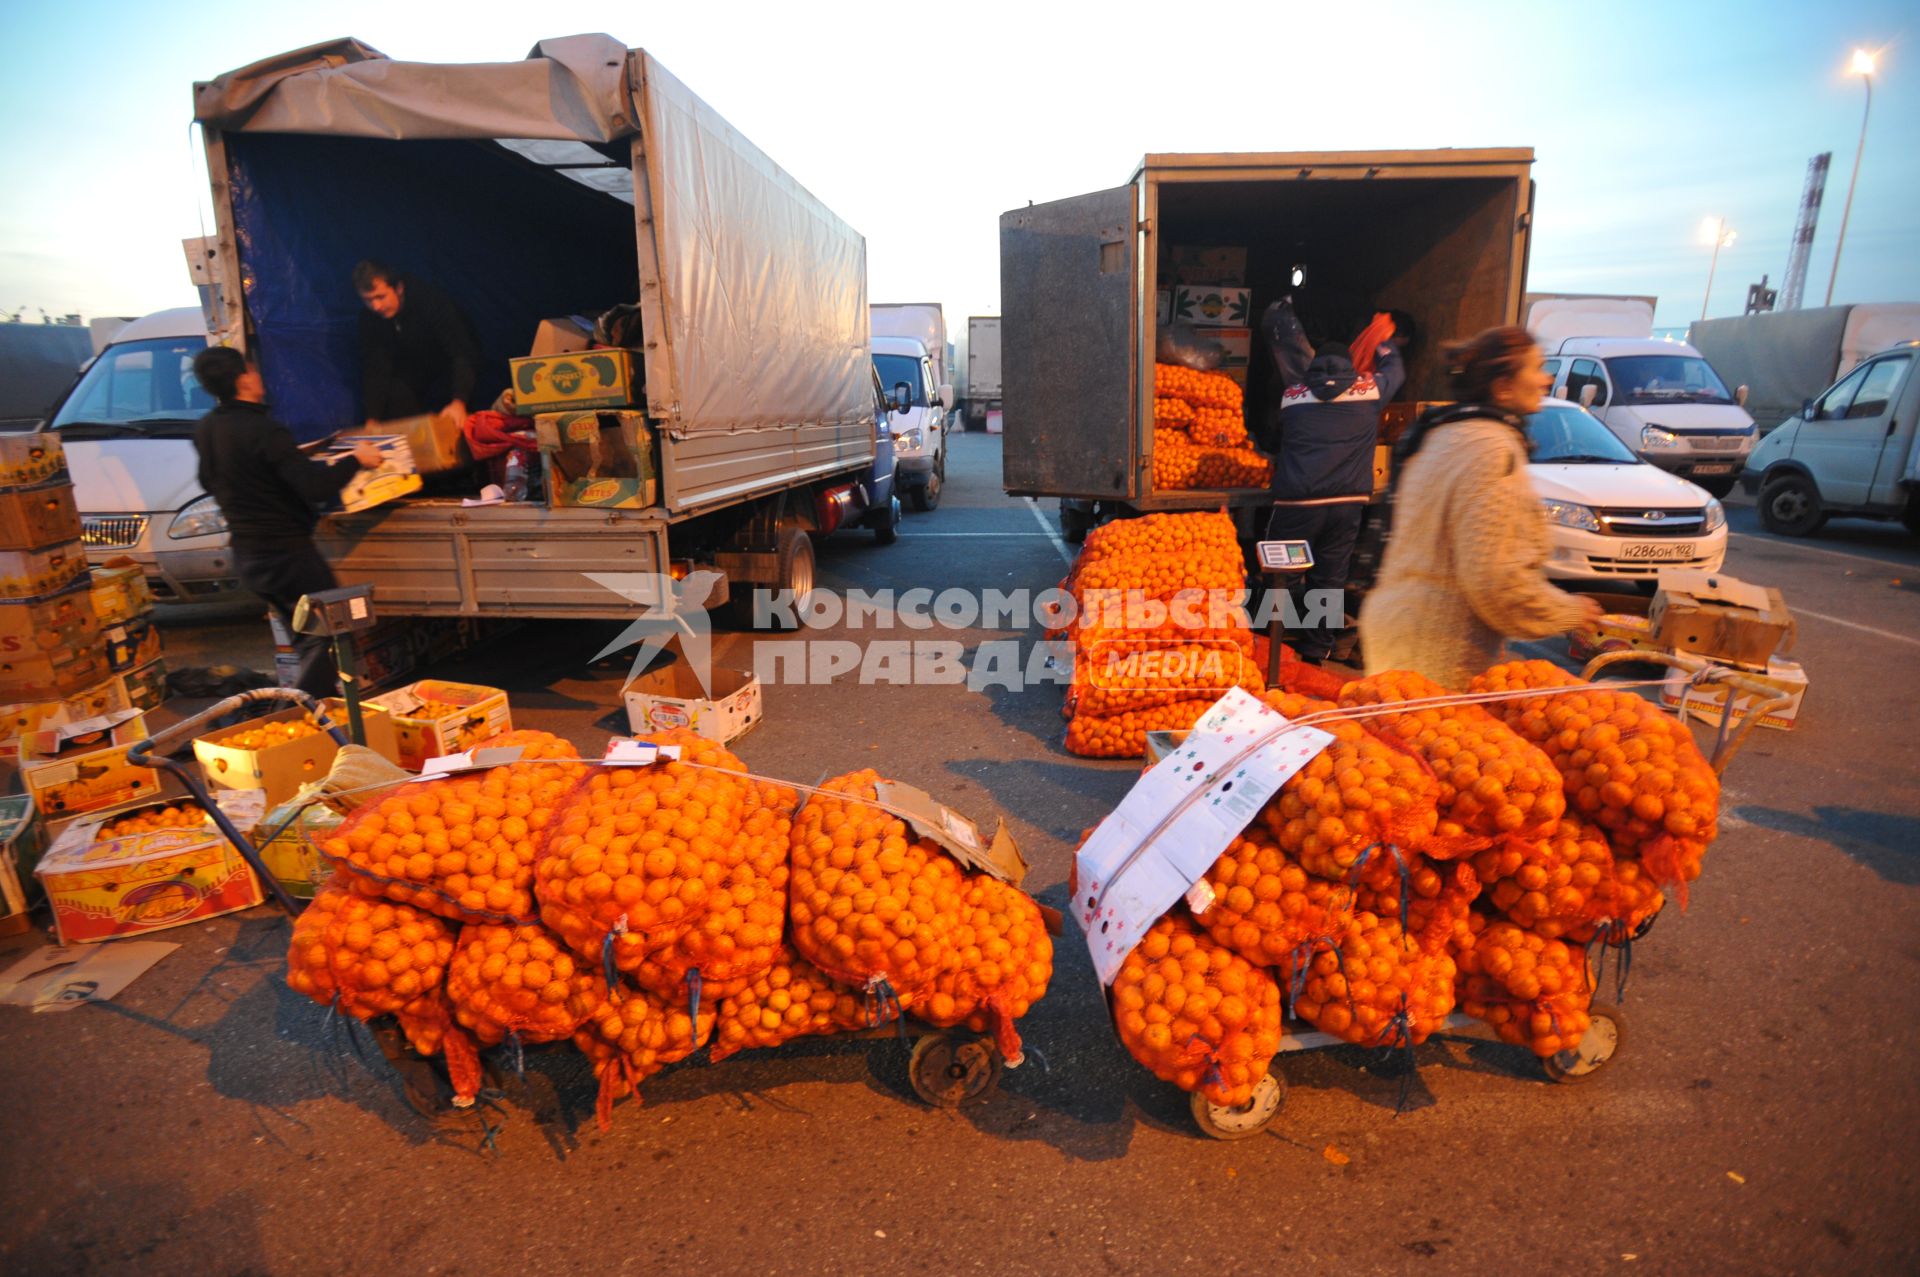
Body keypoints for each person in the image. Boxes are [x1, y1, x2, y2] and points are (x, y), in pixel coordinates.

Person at [1358, 326, 1603, 690]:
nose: (1546, 378)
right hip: (1434, 648)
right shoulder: (1491, 448)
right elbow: (1494, 577)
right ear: (1502, 386)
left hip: (1401, 627)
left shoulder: (1445, 433)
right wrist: (1566, 611)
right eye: (1536, 368)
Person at [190, 346, 385, 698]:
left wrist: (285, 462)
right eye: (252, 369)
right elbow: (315, 486)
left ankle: (316, 714)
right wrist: (357, 458)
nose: (258, 374)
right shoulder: (263, 430)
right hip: (286, 555)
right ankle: (297, 721)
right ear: (243, 378)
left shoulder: (206, 428)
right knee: (329, 634)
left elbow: (212, 479)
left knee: (308, 638)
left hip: (248, 555)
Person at [1257, 297, 1405, 663]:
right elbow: (1396, 370)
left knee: (1283, 574)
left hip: (1297, 505)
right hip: (1345, 505)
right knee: (1329, 578)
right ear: (1351, 365)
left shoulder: (1292, 396)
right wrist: (1382, 342)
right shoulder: (1370, 391)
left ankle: (1271, 646)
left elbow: (1275, 436)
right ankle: (1315, 650)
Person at [353, 260, 483, 429]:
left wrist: (459, 401)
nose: (376, 306)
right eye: (368, 300)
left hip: (449, 369)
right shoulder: (369, 318)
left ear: (399, 288)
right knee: (394, 393)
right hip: (414, 375)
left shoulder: (429, 301)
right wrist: (372, 419)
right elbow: (375, 367)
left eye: (380, 297)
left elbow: (462, 352)